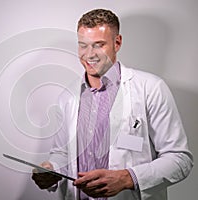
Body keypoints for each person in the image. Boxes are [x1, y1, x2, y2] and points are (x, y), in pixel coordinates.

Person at [32, 8, 193, 200]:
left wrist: (128, 178)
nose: (89, 54)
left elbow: (180, 159)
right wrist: (51, 169)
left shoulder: (151, 88)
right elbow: (62, 153)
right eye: (83, 45)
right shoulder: (67, 97)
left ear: (117, 43)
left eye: (98, 45)